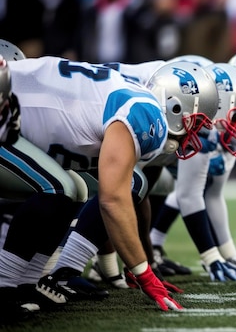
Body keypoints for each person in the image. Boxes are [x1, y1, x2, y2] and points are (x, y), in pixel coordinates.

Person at [0, 57, 218, 322]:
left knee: (75, 189)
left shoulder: (136, 102)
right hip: (6, 107)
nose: (195, 133)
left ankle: (27, 284)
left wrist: (140, 263)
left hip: (14, 110)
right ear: (174, 108)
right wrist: (144, 274)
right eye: (195, 122)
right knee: (58, 189)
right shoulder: (146, 114)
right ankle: (5, 286)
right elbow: (113, 201)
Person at [149, 61, 236, 281]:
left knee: (154, 181)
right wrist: (211, 256)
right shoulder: (195, 107)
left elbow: (210, 194)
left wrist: (228, 255)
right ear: (221, 104)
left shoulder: (203, 93)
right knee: (139, 183)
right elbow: (188, 194)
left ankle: (148, 250)